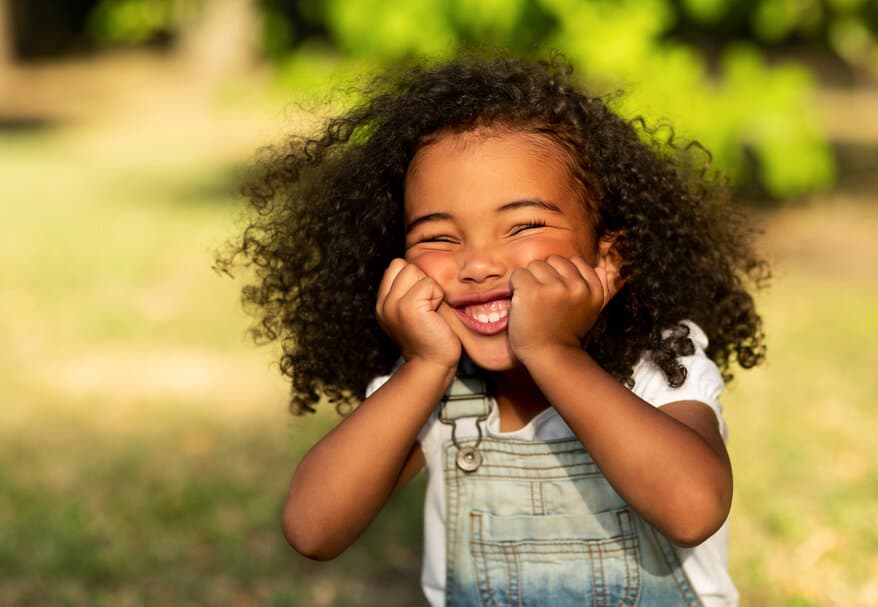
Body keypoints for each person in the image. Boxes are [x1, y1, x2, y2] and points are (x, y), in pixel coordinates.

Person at [218, 54, 767, 606]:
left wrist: (554, 352)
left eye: (523, 226)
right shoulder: (432, 385)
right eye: (438, 237)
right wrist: (425, 368)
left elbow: (693, 508)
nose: (477, 265)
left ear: (609, 258)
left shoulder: (657, 361)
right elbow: (313, 530)